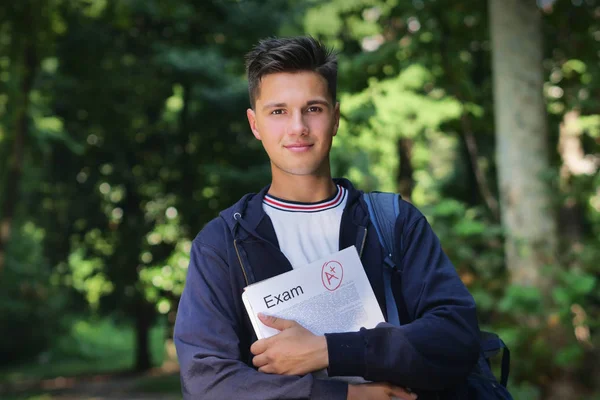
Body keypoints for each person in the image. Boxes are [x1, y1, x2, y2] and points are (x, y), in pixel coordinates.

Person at [174, 36, 480, 400]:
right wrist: (344, 396)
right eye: (278, 111)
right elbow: (207, 382)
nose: (298, 127)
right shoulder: (221, 244)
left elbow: (456, 336)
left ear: (335, 117)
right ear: (255, 124)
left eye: (313, 109)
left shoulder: (395, 222)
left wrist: (329, 351)